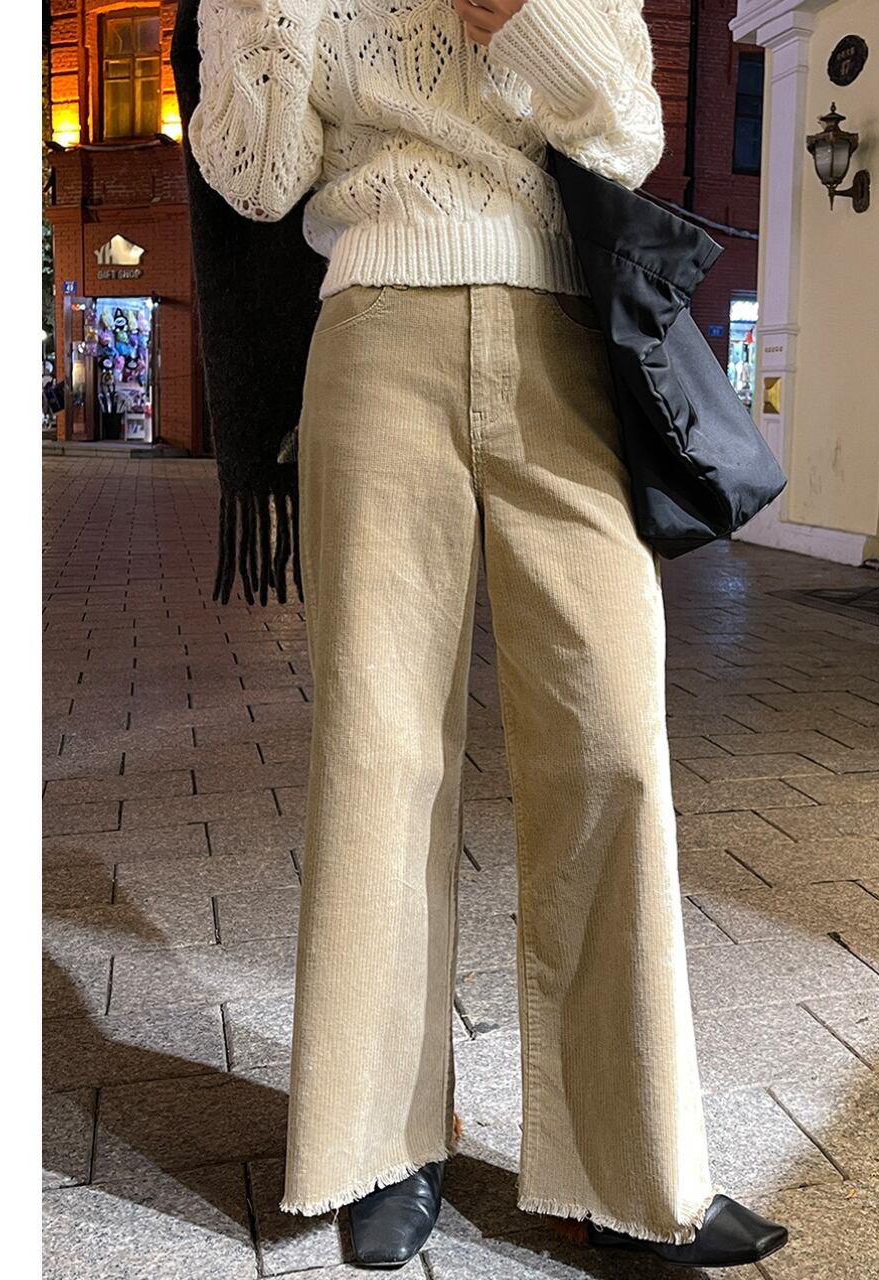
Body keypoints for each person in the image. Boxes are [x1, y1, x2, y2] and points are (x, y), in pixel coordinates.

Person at [188, 0, 788, 1268]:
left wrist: (527, 18)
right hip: (372, 338)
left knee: (612, 739)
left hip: (559, 335)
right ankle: (379, 1142)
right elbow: (256, 177)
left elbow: (625, 130)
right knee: (377, 748)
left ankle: (626, 1163)